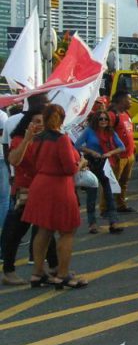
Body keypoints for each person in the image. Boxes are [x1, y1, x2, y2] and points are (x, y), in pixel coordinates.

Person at [23, 104, 89, 289]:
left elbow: (33, 162)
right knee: (67, 231)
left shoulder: (37, 139)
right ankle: (62, 274)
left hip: (40, 184)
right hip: (59, 186)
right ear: (61, 119)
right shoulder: (62, 139)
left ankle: (37, 273)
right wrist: (82, 162)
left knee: (43, 229)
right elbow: (69, 168)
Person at [2, 108, 59, 285]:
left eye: (42, 121)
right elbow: (14, 160)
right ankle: (9, 271)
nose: (39, 125)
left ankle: (53, 267)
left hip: (44, 190)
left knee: (45, 229)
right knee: (16, 231)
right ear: (27, 124)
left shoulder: (48, 140)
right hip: (25, 192)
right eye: (35, 121)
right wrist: (27, 139)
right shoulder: (19, 140)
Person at [76, 110, 125, 234]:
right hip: (92, 163)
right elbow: (77, 145)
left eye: (106, 119)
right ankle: (92, 224)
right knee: (92, 195)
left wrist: (109, 153)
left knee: (109, 194)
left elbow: (122, 147)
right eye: (101, 119)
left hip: (105, 164)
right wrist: (91, 152)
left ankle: (113, 223)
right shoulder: (89, 131)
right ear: (96, 120)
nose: (103, 121)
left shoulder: (110, 132)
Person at [109, 91, 137, 213]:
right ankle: (106, 208)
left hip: (129, 155)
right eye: (129, 99)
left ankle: (121, 205)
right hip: (118, 156)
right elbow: (105, 134)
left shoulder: (126, 114)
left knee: (123, 182)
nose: (131, 102)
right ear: (121, 100)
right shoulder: (111, 115)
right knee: (111, 182)